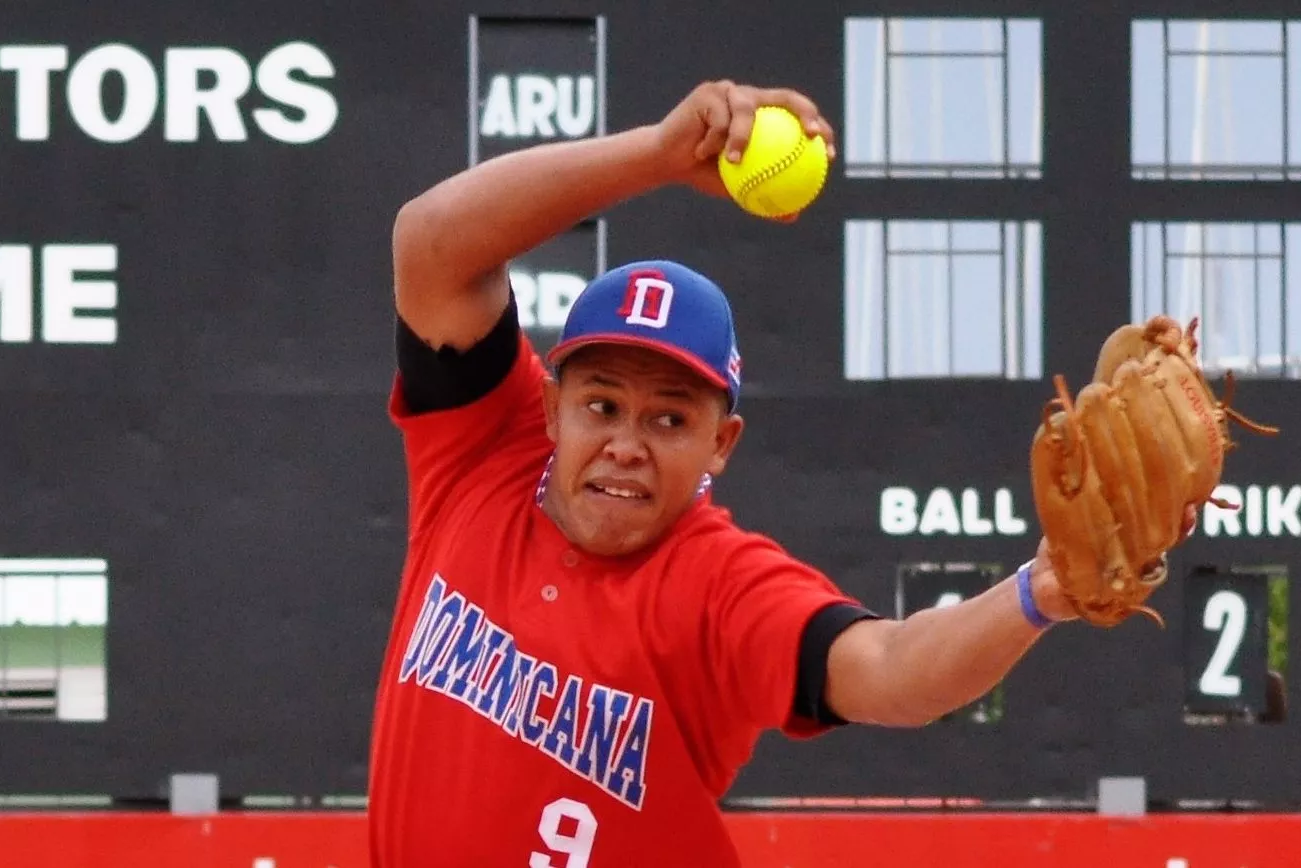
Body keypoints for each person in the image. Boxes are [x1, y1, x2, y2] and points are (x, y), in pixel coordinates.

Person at [367, 79, 1129, 868]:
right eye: (602, 405)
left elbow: (893, 669)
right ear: (554, 408)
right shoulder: (483, 455)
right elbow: (430, 240)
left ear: (721, 443)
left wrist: (1036, 595)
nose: (628, 443)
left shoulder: (718, 584)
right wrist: (659, 155)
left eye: (669, 418)